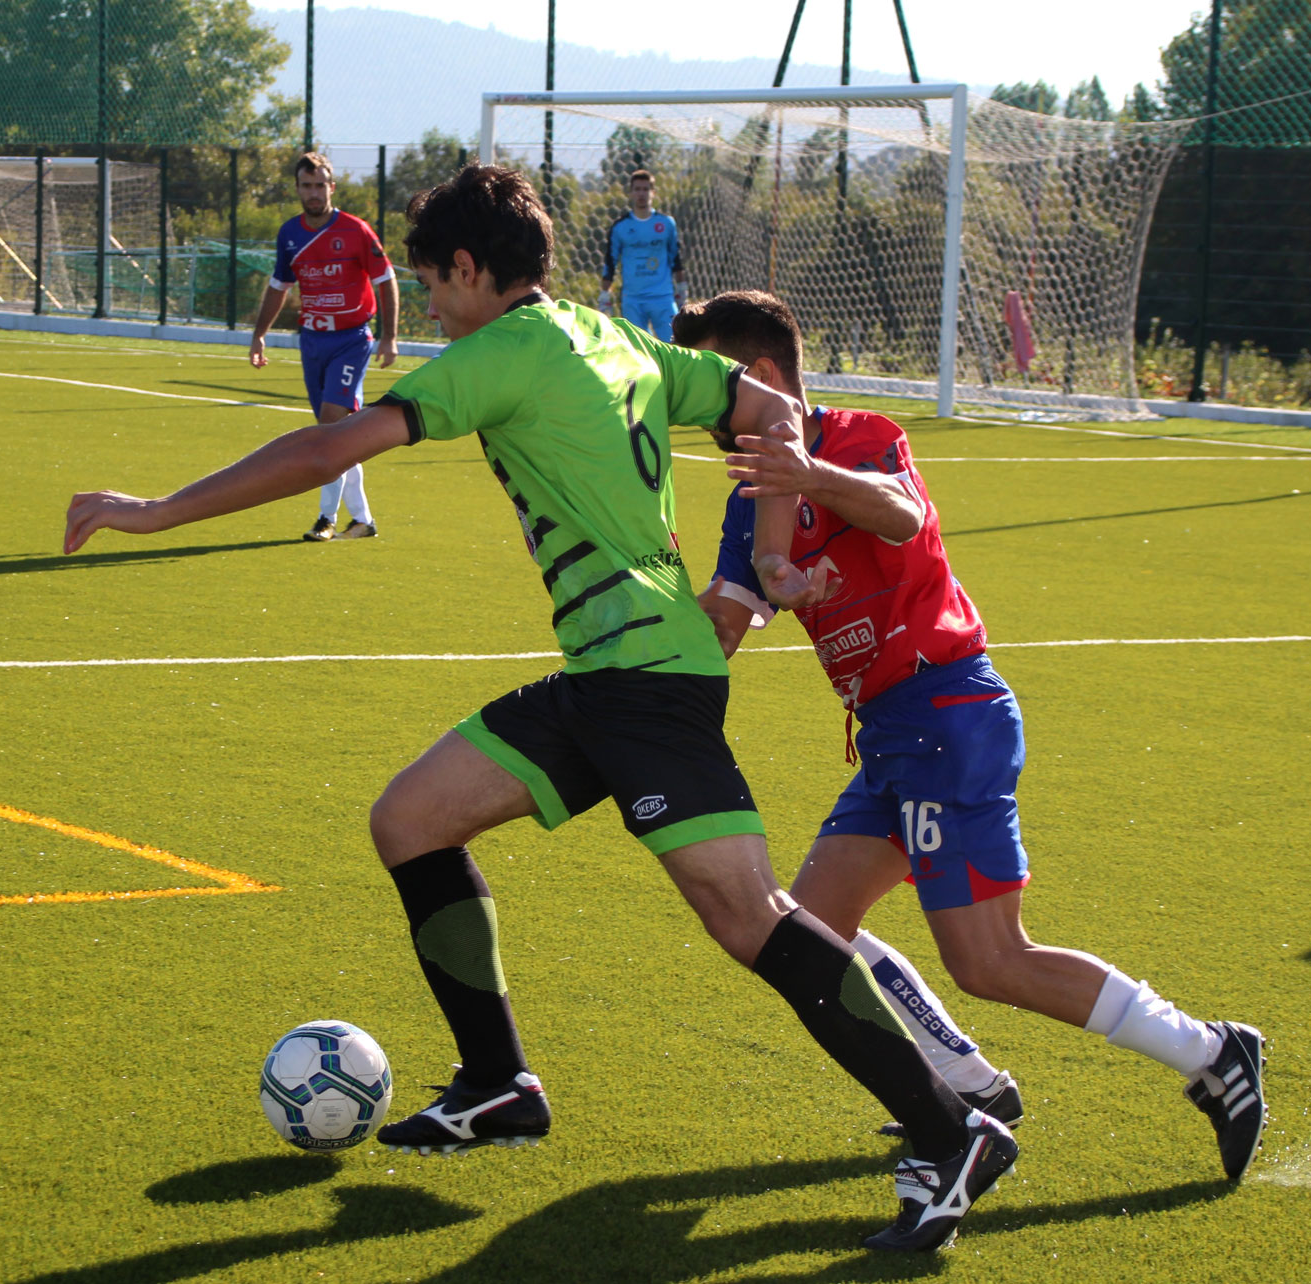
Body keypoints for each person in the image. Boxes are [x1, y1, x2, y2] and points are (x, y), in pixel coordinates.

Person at [67, 165, 1015, 1255]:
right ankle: (495, 1084)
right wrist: (768, 513)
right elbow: (766, 404)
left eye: (429, 281)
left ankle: (953, 1136)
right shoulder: (611, 338)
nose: (427, 303)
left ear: (470, 270)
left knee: (747, 917)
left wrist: (156, 511)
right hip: (605, 677)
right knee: (411, 820)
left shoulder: (501, 355)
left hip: (648, 684)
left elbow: (330, 445)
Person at [676, 289, 1269, 1196]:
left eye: (714, 386)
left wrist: (805, 471)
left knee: (990, 958)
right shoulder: (751, 497)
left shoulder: (859, 435)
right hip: (893, 732)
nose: (709, 415)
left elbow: (901, 514)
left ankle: (1211, 1051)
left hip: (947, 711)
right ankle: (965, 1080)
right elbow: (726, 617)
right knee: (811, 929)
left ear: (758, 377)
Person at [248, 152, 398, 541]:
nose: (313, 193)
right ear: (298, 189)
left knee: (331, 430)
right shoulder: (289, 234)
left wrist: (389, 335)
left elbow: (385, 279)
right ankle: (363, 520)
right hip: (312, 341)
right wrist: (259, 333)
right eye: (306, 185)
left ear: (332, 187)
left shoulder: (356, 231)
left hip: (351, 340)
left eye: (320, 185)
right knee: (337, 433)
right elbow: (279, 287)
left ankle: (325, 518)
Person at [598, 169, 684, 341]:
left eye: (645, 189)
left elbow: (676, 257)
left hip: (662, 296)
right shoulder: (620, 227)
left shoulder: (666, 223)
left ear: (653, 192)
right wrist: (604, 293)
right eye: (637, 189)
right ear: (631, 193)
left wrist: (682, 286)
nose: (641, 194)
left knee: (676, 344)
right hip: (633, 299)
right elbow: (610, 262)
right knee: (639, 348)